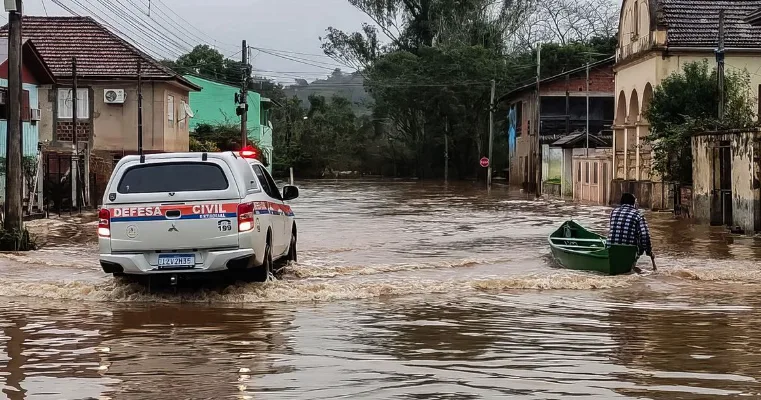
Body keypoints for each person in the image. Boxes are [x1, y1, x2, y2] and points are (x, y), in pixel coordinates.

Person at [609, 193, 655, 272]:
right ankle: (632, 265)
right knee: (641, 241)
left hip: (611, 248)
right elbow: (644, 235)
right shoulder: (638, 215)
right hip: (629, 250)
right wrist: (649, 251)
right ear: (633, 203)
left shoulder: (613, 212)